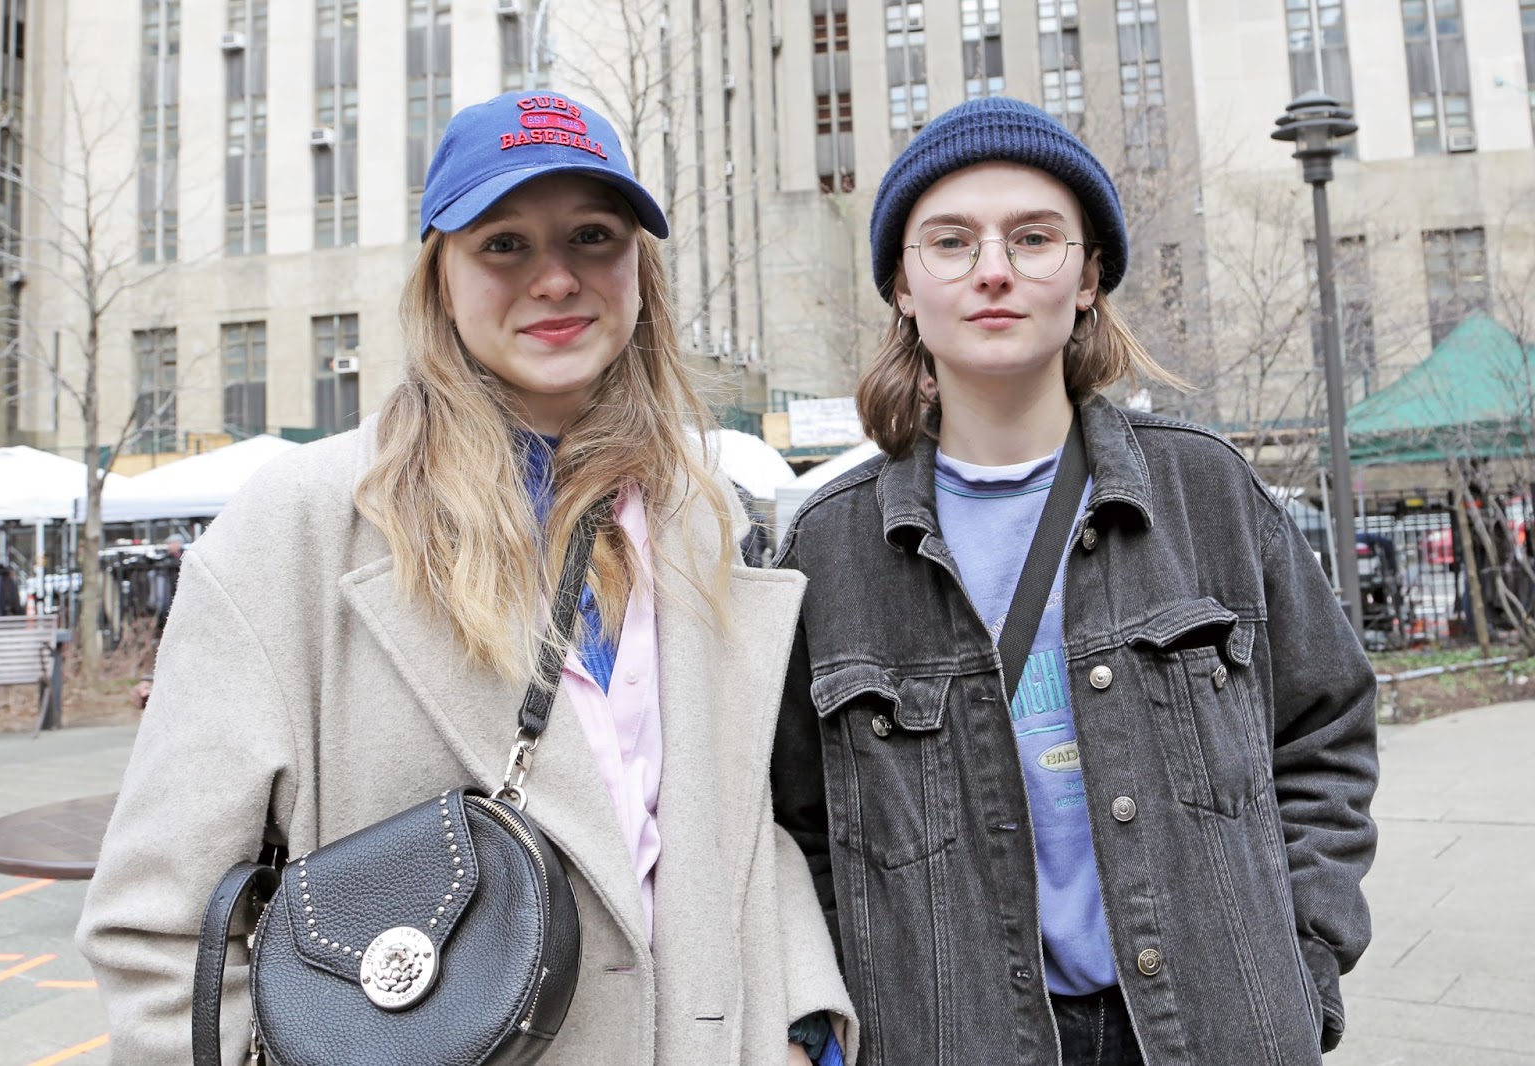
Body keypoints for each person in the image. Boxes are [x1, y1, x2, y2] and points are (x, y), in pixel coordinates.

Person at [78, 90, 855, 1065]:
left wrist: (798, 1023)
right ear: (440, 278)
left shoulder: (702, 517)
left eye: (593, 236)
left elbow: (742, 826)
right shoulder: (300, 526)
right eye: (504, 245)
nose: (556, 279)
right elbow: (161, 927)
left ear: (640, 271)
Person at [771, 96, 1378, 1066]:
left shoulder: (1204, 492)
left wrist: (1302, 960)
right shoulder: (828, 548)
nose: (994, 269)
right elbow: (796, 830)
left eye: (1033, 237)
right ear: (902, 285)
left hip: (1214, 1031)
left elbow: (1326, 731)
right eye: (951, 241)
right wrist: (843, 1012)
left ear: (1089, 274)